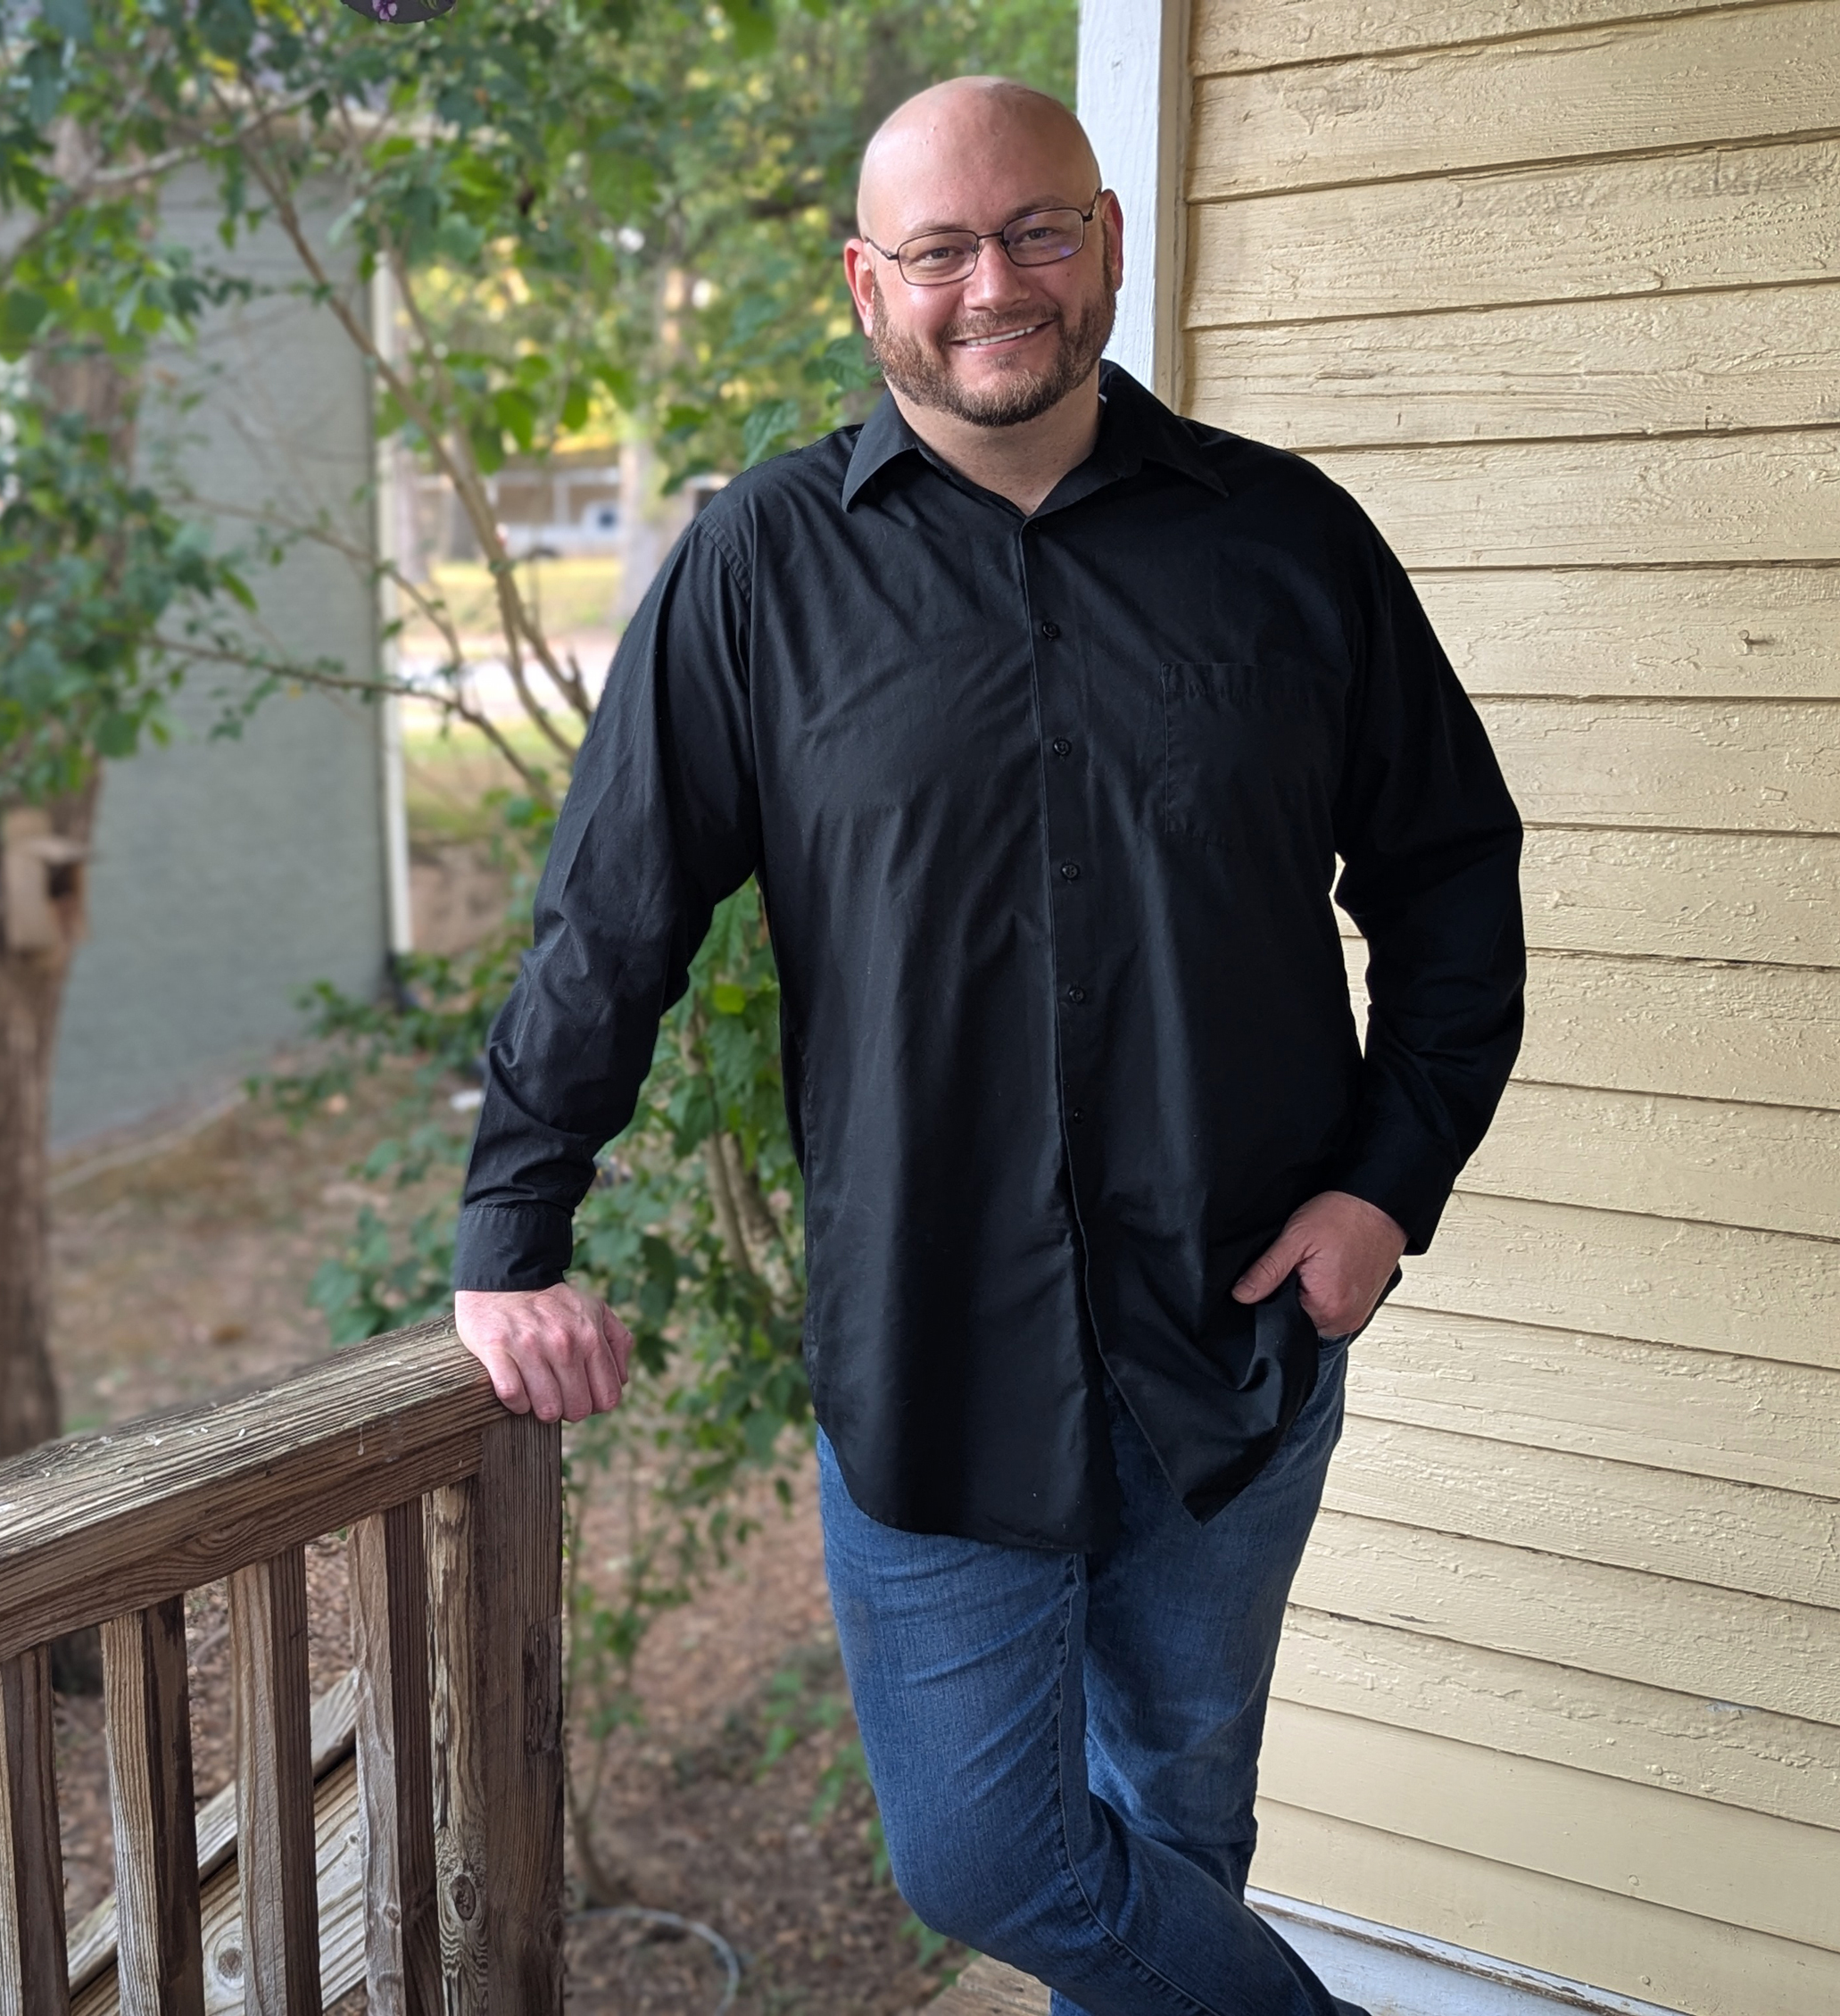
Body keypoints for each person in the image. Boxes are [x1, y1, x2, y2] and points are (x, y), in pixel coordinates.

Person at [447, 76, 1526, 2016]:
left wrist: (1388, 1184)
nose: (994, 284)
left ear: (1104, 238)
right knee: (986, 1853)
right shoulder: (760, 568)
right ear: (867, 284)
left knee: (1177, 1829)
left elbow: (1452, 882)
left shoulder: (1291, 542)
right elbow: (614, 920)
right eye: (939, 249)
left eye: (1035, 230)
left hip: (1236, 1338)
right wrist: (511, 1235)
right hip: (931, 1351)